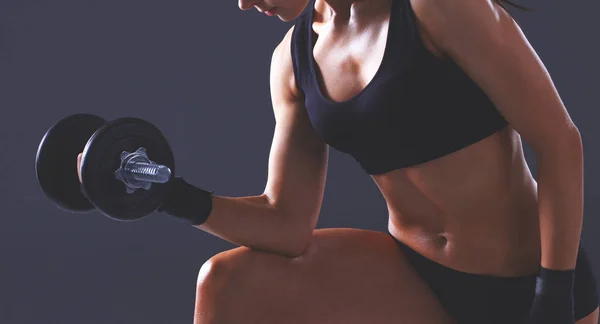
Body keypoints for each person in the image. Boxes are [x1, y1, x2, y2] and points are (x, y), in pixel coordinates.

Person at [77, 0, 599, 322]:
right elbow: (286, 224)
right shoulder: (293, 61)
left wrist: (554, 293)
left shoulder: (437, 8)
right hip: (416, 276)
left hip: (532, 278)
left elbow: (560, 144)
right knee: (225, 283)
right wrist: (170, 194)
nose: (241, 3)